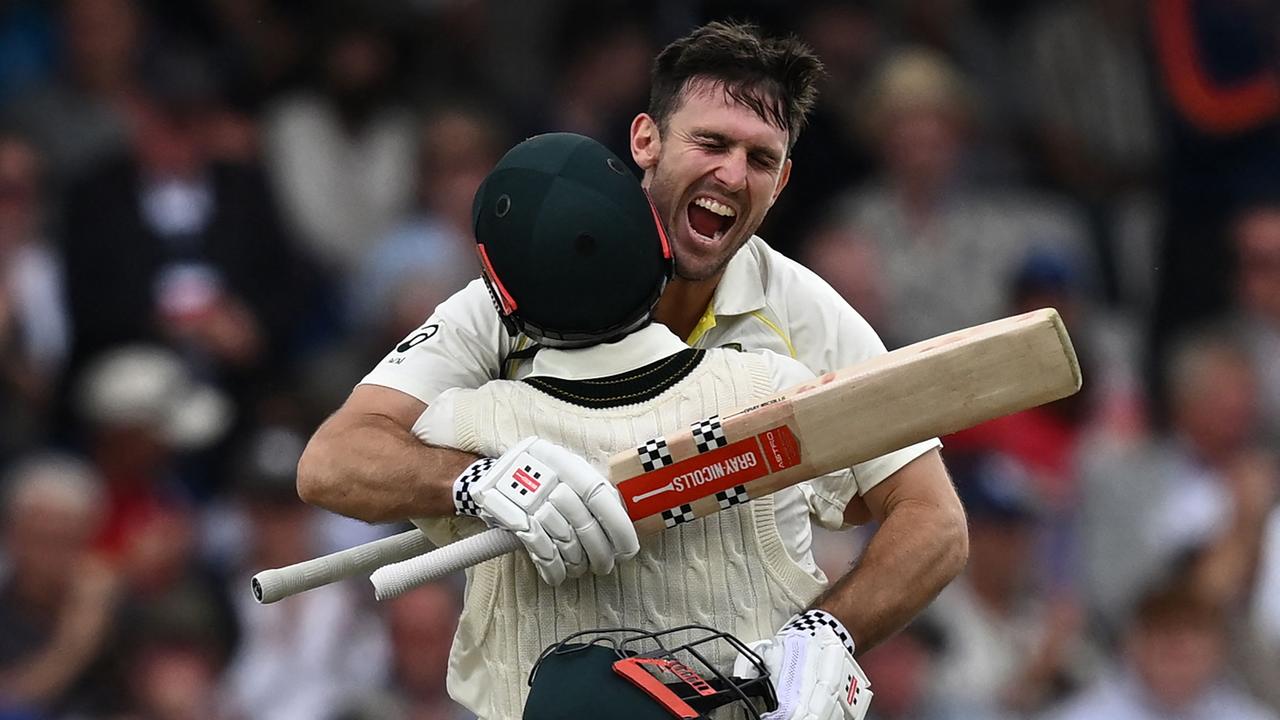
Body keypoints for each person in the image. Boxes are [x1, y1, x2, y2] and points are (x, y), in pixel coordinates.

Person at [299, 19, 966, 716]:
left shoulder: (807, 317)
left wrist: (831, 630)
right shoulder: (516, 290)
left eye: (760, 158)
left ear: (783, 180)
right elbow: (332, 463)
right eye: (711, 143)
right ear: (646, 140)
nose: (732, 175)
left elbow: (933, 519)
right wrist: (475, 480)